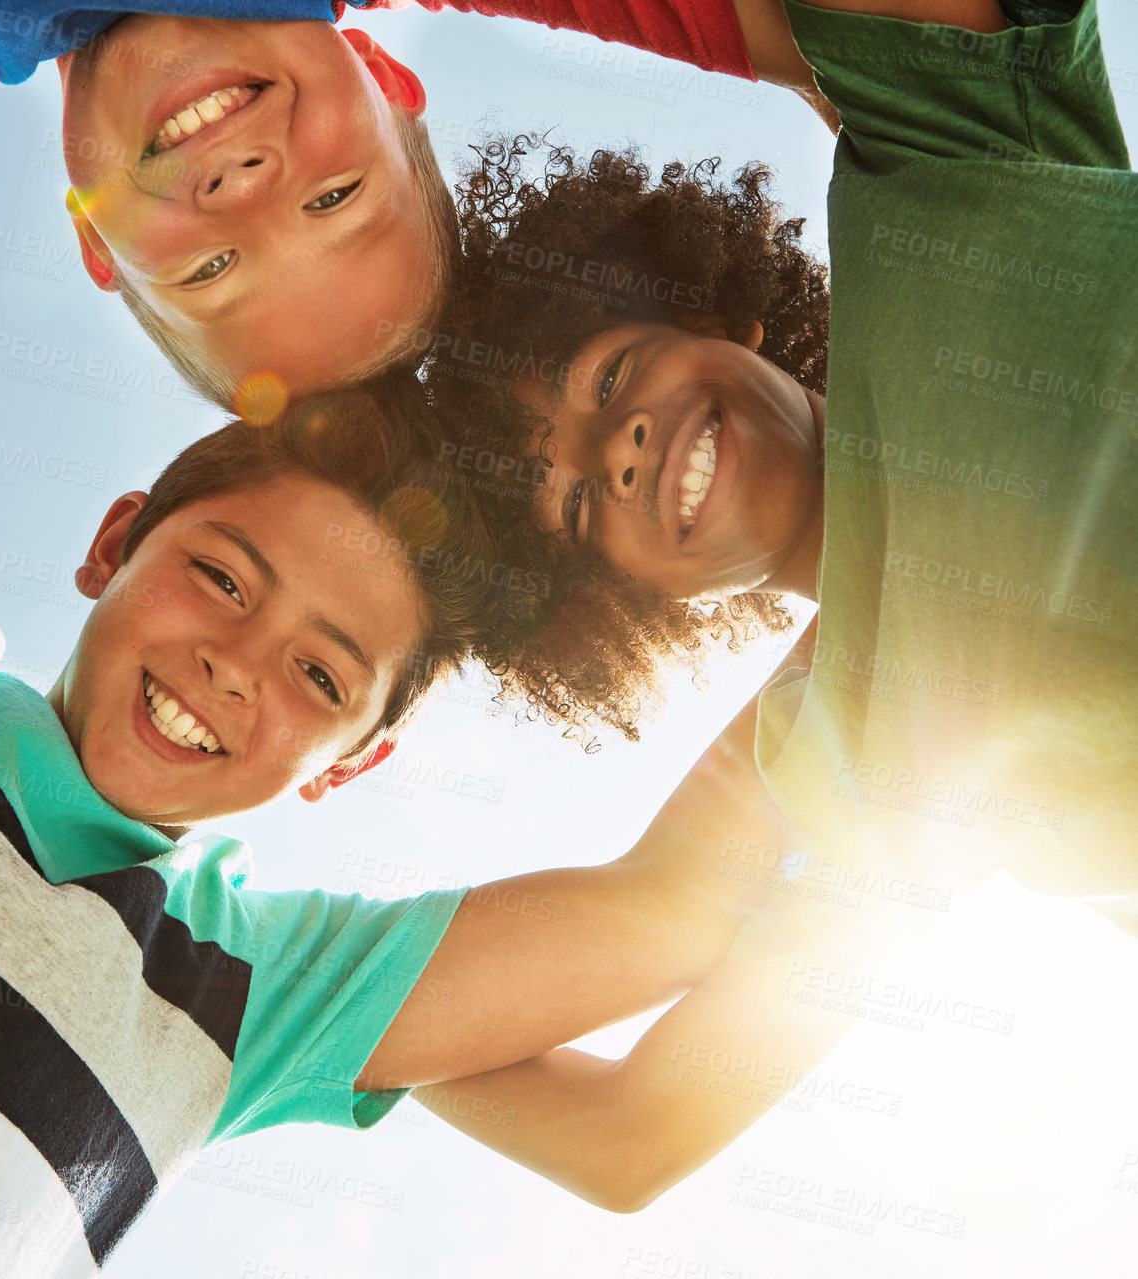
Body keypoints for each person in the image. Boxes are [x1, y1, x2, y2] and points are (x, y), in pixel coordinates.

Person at [0, 129, 801, 1276]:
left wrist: (886, 567)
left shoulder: (241, 992)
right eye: (219, 576)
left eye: (322, 675)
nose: (234, 663)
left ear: (352, 763)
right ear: (114, 543)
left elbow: (677, 913)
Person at [416, 0, 1138, 1195]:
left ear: (713, 318)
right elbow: (627, 1136)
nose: (622, 452)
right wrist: (253, 993)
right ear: (631, 598)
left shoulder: (934, 180)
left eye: (610, 379)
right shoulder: (829, 763)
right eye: (584, 507)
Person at [0, 0, 832, 680]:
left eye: (214, 268)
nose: (247, 186)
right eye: (339, 201)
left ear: (97, 245)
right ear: (385, 75)